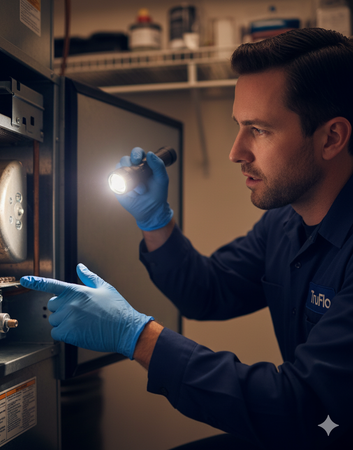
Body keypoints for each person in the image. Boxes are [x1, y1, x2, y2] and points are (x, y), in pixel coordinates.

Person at [21, 28, 353, 448]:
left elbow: (302, 405)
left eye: (260, 130)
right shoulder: (286, 223)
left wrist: (136, 336)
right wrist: (155, 221)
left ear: (332, 138)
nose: (236, 151)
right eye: (238, 126)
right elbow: (208, 292)